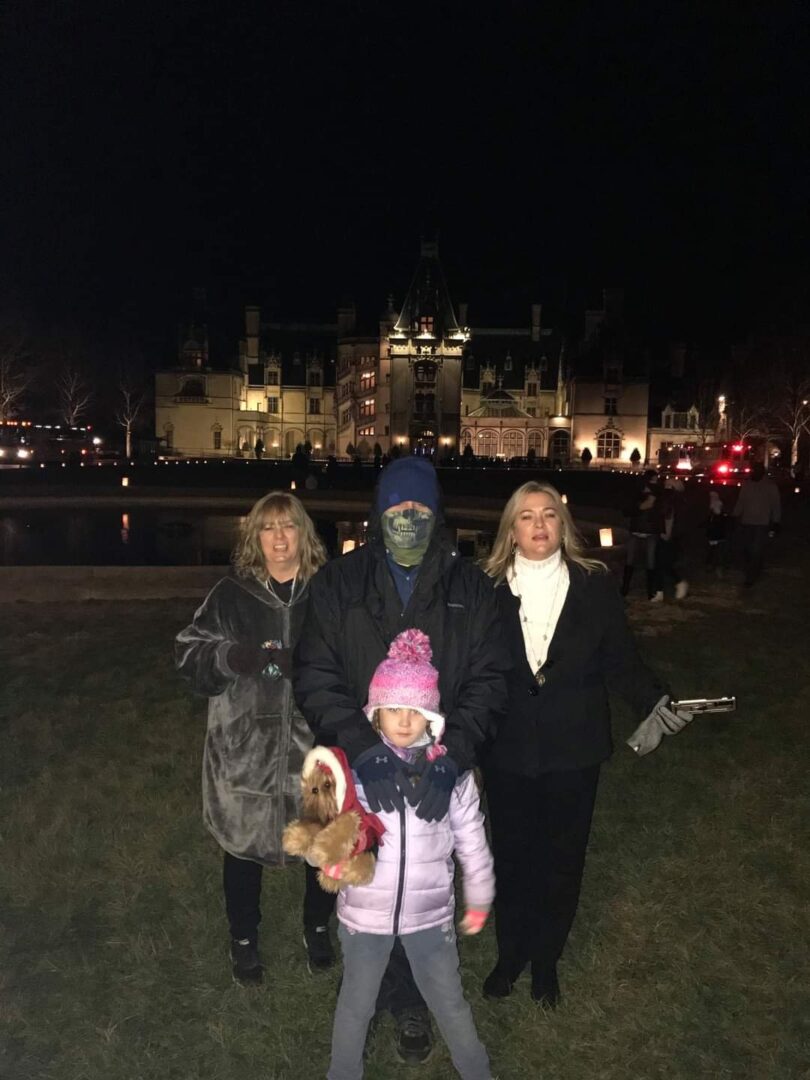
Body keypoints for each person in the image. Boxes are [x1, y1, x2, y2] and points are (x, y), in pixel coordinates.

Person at [294, 455, 509, 1065]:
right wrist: (362, 749)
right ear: (376, 513)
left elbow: (490, 679)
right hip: (364, 771)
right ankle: (367, 982)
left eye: (419, 510)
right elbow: (316, 674)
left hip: (438, 769)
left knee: (424, 885)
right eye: (395, 509)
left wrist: (455, 755)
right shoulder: (339, 583)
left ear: (437, 514)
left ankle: (413, 1001)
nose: (407, 520)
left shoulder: (471, 588)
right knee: (367, 886)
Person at [481, 481, 691, 1007]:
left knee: (561, 857)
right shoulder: (485, 588)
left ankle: (546, 958)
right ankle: (511, 954)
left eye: (548, 515)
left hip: (573, 748)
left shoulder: (593, 586)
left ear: (562, 525)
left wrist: (654, 700)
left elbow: (619, 660)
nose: (538, 525)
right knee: (511, 856)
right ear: (512, 528)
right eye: (526, 516)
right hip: (507, 749)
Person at [175, 491, 336, 984]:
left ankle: (317, 926)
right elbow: (188, 655)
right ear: (254, 536)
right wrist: (234, 657)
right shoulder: (231, 595)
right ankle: (244, 937)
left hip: (313, 747)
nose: (280, 538)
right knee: (241, 846)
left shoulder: (326, 593)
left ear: (303, 534)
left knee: (319, 841)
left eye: (288, 526)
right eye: (268, 528)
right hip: (244, 750)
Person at [323, 629, 495, 1080]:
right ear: (375, 715)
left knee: (451, 1004)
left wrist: (478, 899)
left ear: (431, 718)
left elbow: (473, 843)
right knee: (355, 1007)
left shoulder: (449, 777)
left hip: (430, 917)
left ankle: (477, 1072)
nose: (403, 721)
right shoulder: (356, 774)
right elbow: (323, 844)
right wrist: (333, 855)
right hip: (365, 919)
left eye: (415, 712)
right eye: (393, 710)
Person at [732, 462, 781, 587]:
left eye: (755, 471)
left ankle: (751, 576)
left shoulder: (770, 486)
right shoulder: (747, 484)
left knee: (756, 550)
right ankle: (754, 568)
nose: (753, 473)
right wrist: (734, 515)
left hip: (762, 523)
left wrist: (776, 522)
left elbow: (776, 506)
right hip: (747, 522)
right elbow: (741, 502)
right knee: (748, 549)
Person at [621, 469, 663, 600]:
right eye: (653, 479)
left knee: (649, 561)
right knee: (631, 559)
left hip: (649, 529)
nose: (654, 482)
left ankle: (649, 591)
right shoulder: (638, 492)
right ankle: (625, 588)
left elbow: (654, 507)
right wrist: (640, 505)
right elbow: (634, 508)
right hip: (639, 528)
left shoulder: (657, 492)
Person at [654, 475, 689, 601]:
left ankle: (677, 584)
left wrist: (666, 533)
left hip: (668, 536)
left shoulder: (671, 500)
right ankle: (660, 591)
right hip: (672, 535)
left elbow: (669, 517)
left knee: (662, 563)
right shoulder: (678, 500)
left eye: (668, 486)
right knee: (661, 563)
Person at [706, 487, 730, 575]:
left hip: (715, 533)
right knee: (717, 549)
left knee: (714, 549)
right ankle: (716, 565)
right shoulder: (718, 509)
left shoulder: (712, 509)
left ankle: (711, 564)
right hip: (718, 533)